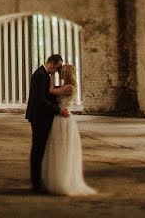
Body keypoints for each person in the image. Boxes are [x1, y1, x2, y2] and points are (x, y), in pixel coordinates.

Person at [41, 64, 97, 195]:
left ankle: (64, 181)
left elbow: (51, 91)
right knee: (57, 148)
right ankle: (58, 179)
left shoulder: (70, 88)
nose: (59, 73)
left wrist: (52, 76)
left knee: (63, 148)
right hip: (59, 118)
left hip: (64, 119)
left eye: (61, 72)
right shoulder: (65, 86)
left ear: (66, 74)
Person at [25, 54, 68, 192]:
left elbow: (46, 94)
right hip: (39, 117)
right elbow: (40, 99)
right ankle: (36, 183)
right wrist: (58, 110)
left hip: (41, 116)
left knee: (40, 148)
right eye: (58, 67)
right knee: (38, 149)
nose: (58, 70)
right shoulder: (40, 75)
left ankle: (38, 181)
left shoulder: (44, 75)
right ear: (53, 64)